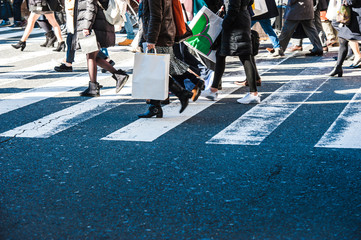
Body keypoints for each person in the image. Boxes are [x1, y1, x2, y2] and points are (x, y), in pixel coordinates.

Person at [138, 0, 194, 118]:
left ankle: (181, 94)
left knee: (158, 73)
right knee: (158, 73)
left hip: (160, 37)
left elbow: (156, 16)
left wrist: (151, 39)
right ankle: (155, 107)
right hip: (164, 34)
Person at [203, 0, 261, 104]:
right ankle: (213, 89)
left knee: (244, 56)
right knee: (221, 54)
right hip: (241, 20)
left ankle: (254, 93)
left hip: (235, 23)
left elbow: (234, 7)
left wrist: (225, 23)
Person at [73, 0, 129, 97]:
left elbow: (90, 6)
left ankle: (93, 87)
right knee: (93, 56)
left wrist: (87, 26)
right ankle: (118, 75)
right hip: (96, 22)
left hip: (93, 24)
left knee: (90, 56)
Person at [329, 0, 361, 76]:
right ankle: (338, 67)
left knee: (344, 39)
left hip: (357, 17)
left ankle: (338, 67)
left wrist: (346, 1)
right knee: (342, 39)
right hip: (354, 16)